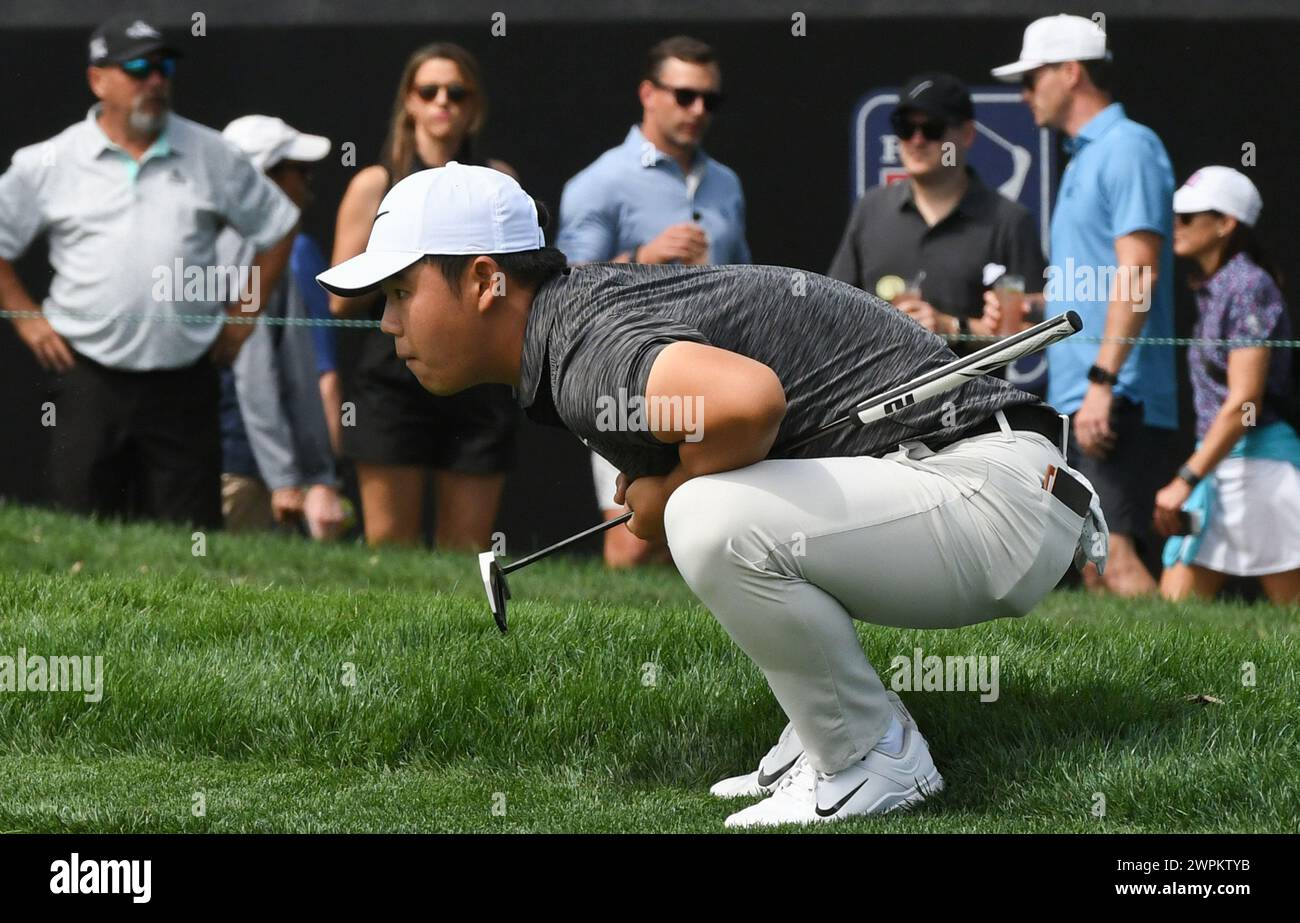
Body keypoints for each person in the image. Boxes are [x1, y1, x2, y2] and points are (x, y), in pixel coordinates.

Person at [316, 163, 1110, 828]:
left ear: (485, 280)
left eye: (399, 292)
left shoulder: (586, 354)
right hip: (991, 479)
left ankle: (873, 755)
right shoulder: (579, 320)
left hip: (992, 496)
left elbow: (744, 402)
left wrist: (668, 490)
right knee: (717, 506)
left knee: (705, 515)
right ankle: (823, 728)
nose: (386, 321)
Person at [0, 13, 296, 528]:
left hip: (184, 379)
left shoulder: (212, 154)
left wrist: (245, 313)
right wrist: (26, 317)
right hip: (86, 374)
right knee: (82, 533)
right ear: (98, 79)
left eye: (163, 67)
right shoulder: (49, 161)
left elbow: (279, 225)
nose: (155, 80)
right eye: (137, 67)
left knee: (190, 540)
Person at [991, 14, 1178, 596]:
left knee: (1115, 558)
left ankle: (1190, 683)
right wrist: (1024, 306)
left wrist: (1103, 379)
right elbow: (1092, 282)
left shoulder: (1129, 147)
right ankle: (1148, 686)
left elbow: (1138, 273)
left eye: (1031, 78)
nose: (1024, 95)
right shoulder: (1086, 156)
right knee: (1095, 564)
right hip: (1087, 390)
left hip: (1117, 393)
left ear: (1070, 73)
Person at [557, 35, 751, 568]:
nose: (698, 110)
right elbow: (563, 292)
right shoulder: (600, 182)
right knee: (635, 538)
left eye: (710, 100)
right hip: (628, 371)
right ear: (648, 92)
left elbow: (750, 281)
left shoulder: (726, 184)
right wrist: (644, 255)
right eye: (685, 95)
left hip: (715, 370)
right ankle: (621, 648)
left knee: (705, 526)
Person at [328, 43, 518, 550]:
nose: (442, 102)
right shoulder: (374, 182)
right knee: (390, 553)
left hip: (477, 376)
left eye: (456, 92)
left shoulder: (497, 184)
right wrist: (402, 269)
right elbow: (339, 300)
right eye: (428, 91)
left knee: (467, 552)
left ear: (474, 106)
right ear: (408, 102)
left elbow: (511, 285)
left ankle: (467, 632)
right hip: (394, 373)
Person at [1155, 167, 1300, 604]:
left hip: (1261, 472)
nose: (1175, 225)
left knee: (1291, 619)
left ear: (1225, 224)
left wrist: (1185, 477)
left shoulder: (1248, 286)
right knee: (1174, 620)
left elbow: (1244, 403)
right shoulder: (1218, 287)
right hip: (1220, 470)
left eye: (1188, 216)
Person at [829, 72, 1045, 348]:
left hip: (971, 390)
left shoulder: (1009, 221)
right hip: (882, 389)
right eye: (905, 127)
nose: (917, 140)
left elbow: (1031, 333)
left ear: (966, 135)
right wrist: (880, 325)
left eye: (932, 129)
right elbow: (834, 309)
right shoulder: (871, 210)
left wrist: (951, 327)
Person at [217, 115, 346, 540]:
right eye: (298, 169)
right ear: (263, 178)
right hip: (240, 467)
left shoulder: (261, 244)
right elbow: (253, 365)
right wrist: (285, 477)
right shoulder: (244, 246)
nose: (307, 182)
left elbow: (291, 367)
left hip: (243, 463)